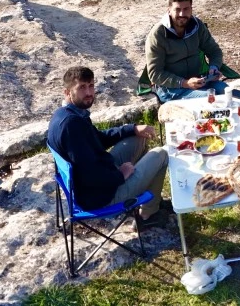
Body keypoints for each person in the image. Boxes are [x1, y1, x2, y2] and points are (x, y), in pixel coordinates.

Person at [47, 66, 170, 226]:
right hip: (103, 198)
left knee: (138, 138)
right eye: (82, 87)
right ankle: (148, 215)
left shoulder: (69, 114)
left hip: (101, 178)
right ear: (67, 92)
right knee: (161, 154)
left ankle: (148, 195)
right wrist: (121, 175)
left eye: (91, 85)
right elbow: (90, 175)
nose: (89, 92)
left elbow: (99, 139)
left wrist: (132, 129)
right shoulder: (71, 125)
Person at [142, 0, 231, 103]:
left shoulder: (197, 26)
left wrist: (214, 68)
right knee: (209, 99)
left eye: (186, 9)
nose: (182, 14)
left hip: (199, 81)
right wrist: (185, 83)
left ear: (191, 9)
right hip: (171, 89)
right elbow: (155, 74)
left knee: (226, 91)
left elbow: (214, 51)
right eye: (177, 9)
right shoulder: (158, 34)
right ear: (169, 10)